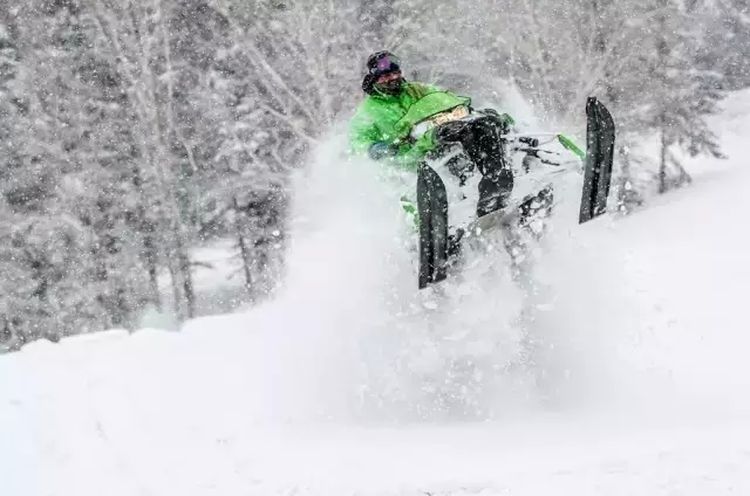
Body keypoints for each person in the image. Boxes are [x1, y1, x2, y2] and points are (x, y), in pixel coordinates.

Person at [349, 50, 515, 217]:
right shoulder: (368, 110)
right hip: (409, 151)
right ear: (375, 79)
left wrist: (469, 111)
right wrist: (377, 148)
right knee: (457, 132)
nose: (392, 78)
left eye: (394, 73)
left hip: (435, 134)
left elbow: (446, 99)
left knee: (483, 125)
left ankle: (496, 179)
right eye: (385, 76)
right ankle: (441, 211)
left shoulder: (417, 89)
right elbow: (358, 140)